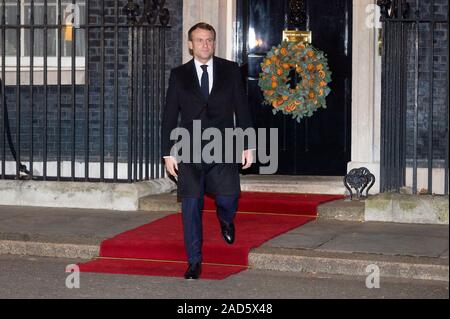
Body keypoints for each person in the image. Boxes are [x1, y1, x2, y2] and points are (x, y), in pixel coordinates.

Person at [161, 22, 254, 280]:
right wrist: (168, 152)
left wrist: (248, 145)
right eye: (200, 40)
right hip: (188, 149)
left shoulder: (230, 70)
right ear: (190, 44)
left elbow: (242, 108)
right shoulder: (179, 75)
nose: (205, 44)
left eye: (210, 40)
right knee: (191, 206)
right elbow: (170, 115)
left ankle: (225, 219)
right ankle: (194, 261)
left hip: (223, 145)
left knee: (228, 197)